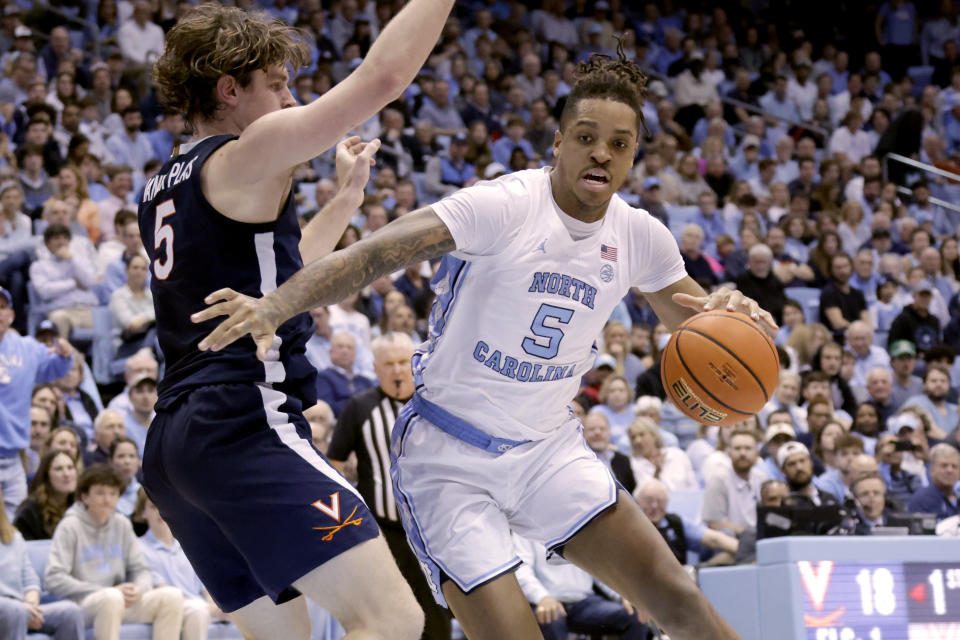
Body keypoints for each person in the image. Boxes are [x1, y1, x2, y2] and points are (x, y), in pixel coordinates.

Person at [191, 47, 772, 640]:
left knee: (679, 597)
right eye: (586, 136)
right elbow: (373, 254)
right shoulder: (504, 205)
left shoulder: (641, 235)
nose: (602, 152)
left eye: (620, 144)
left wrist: (732, 311)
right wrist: (277, 304)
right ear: (558, 143)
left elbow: (698, 322)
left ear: (632, 157)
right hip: (449, 457)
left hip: (549, 450)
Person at [138, 2, 456, 638]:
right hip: (241, 421)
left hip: (175, 447)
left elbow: (282, 284)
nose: (292, 100)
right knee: (393, 620)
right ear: (230, 89)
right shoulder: (245, 152)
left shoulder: (162, 186)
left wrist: (345, 199)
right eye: (279, 84)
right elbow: (383, 80)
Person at [327, 332, 451, 640]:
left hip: (433, 531)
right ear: (375, 367)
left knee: (438, 612)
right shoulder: (359, 407)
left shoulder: (437, 401)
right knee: (391, 615)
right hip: (385, 532)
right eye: (388, 364)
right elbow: (334, 466)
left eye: (402, 363)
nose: (397, 370)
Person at [45, 464, 185, 639]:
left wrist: (139, 588)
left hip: (118, 600)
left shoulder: (122, 524)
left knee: (172, 596)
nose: (107, 500)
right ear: (85, 497)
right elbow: (54, 578)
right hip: (83, 603)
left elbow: (140, 569)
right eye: (100, 493)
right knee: (111, 597)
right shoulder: (69, 526)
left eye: (113, 494)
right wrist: (103, 589)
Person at [0, 284, 75, 520]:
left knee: (14, 529)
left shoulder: (27, 349)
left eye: (2, 307)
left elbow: (54, 368)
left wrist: (65, 355)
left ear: (11, 315)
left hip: (13, 458)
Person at [513, 533, 649, 640]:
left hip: (584, 603)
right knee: (552, 618)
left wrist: (623, 595)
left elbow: (599, 569)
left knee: (634, 615)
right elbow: (522, 570)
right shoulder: (524, 530)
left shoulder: (579, 525)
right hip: (547, 603)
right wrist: (542, 597)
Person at [0, 485, 85, 640]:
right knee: (13, 611)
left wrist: (31, 605)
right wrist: (22, 610)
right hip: (9, 609)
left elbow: (30, 580)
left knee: (70, 612)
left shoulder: (13, 537)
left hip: (22, 608)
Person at [136, 490, 224, 640]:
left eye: (164, 505)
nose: (160, 512)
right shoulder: (139, 547)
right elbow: (161, 589)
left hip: (199, 605)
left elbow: (204, 589)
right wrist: (206, 607)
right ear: (143, 513)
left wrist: (216, 606)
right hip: (173, 607)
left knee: (238, 609)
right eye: (153, 507)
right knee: (198, 610)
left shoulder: (188, 546)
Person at [700, 429, 766, 536]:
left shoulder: (762, 479)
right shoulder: (718, 481)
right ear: (729, 453)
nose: (743, 453)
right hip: (729, 542)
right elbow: (714, 523)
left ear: (757, 453)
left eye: (748, 448)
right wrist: (749, 536)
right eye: (737, 448)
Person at [13, 449, 77, 540]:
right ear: (46, 476)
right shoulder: (30, 512)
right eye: (59, 469)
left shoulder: (82, 505)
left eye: (70, 467)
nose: (66, 474)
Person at [626, 416, 698, 492]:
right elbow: (645, 494)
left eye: (642, 434)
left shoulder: (677, 454)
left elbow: (693, 486)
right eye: (633, 437)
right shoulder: (633, 464)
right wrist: (657, 473)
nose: (637, 441)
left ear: (654, 435)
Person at [907, 444, 959, 521]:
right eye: (944, 465)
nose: (950, 470)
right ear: (932, 470)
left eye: (954, 466)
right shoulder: (921, 499)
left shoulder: (958, 497)